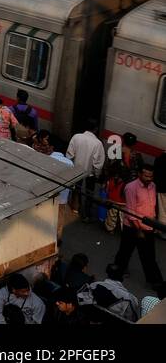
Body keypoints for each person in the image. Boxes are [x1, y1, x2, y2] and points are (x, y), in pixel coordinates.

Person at [111, 165, 164, 293]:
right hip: (133, 227)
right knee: (126, 251)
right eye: (146, 176)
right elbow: (130, 212)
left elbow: (152, 206)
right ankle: (118, 272)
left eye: (151, 176)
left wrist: (155, 224)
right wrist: (138, 231)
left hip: (148, 226)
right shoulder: (131, 188)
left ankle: (155, 281)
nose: (148, 178)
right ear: (140, 174)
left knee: (149, 256)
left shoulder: (153, 186)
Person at [68, 119, 106, 218]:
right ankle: (86, 213)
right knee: (89, 192)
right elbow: (98, 163)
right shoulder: (98, 143)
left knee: (77, 189)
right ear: (96, 129)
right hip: (90, 173)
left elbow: (69, 155)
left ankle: (75, 207)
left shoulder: (76, 137)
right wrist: (97, 174)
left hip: (76, 170)